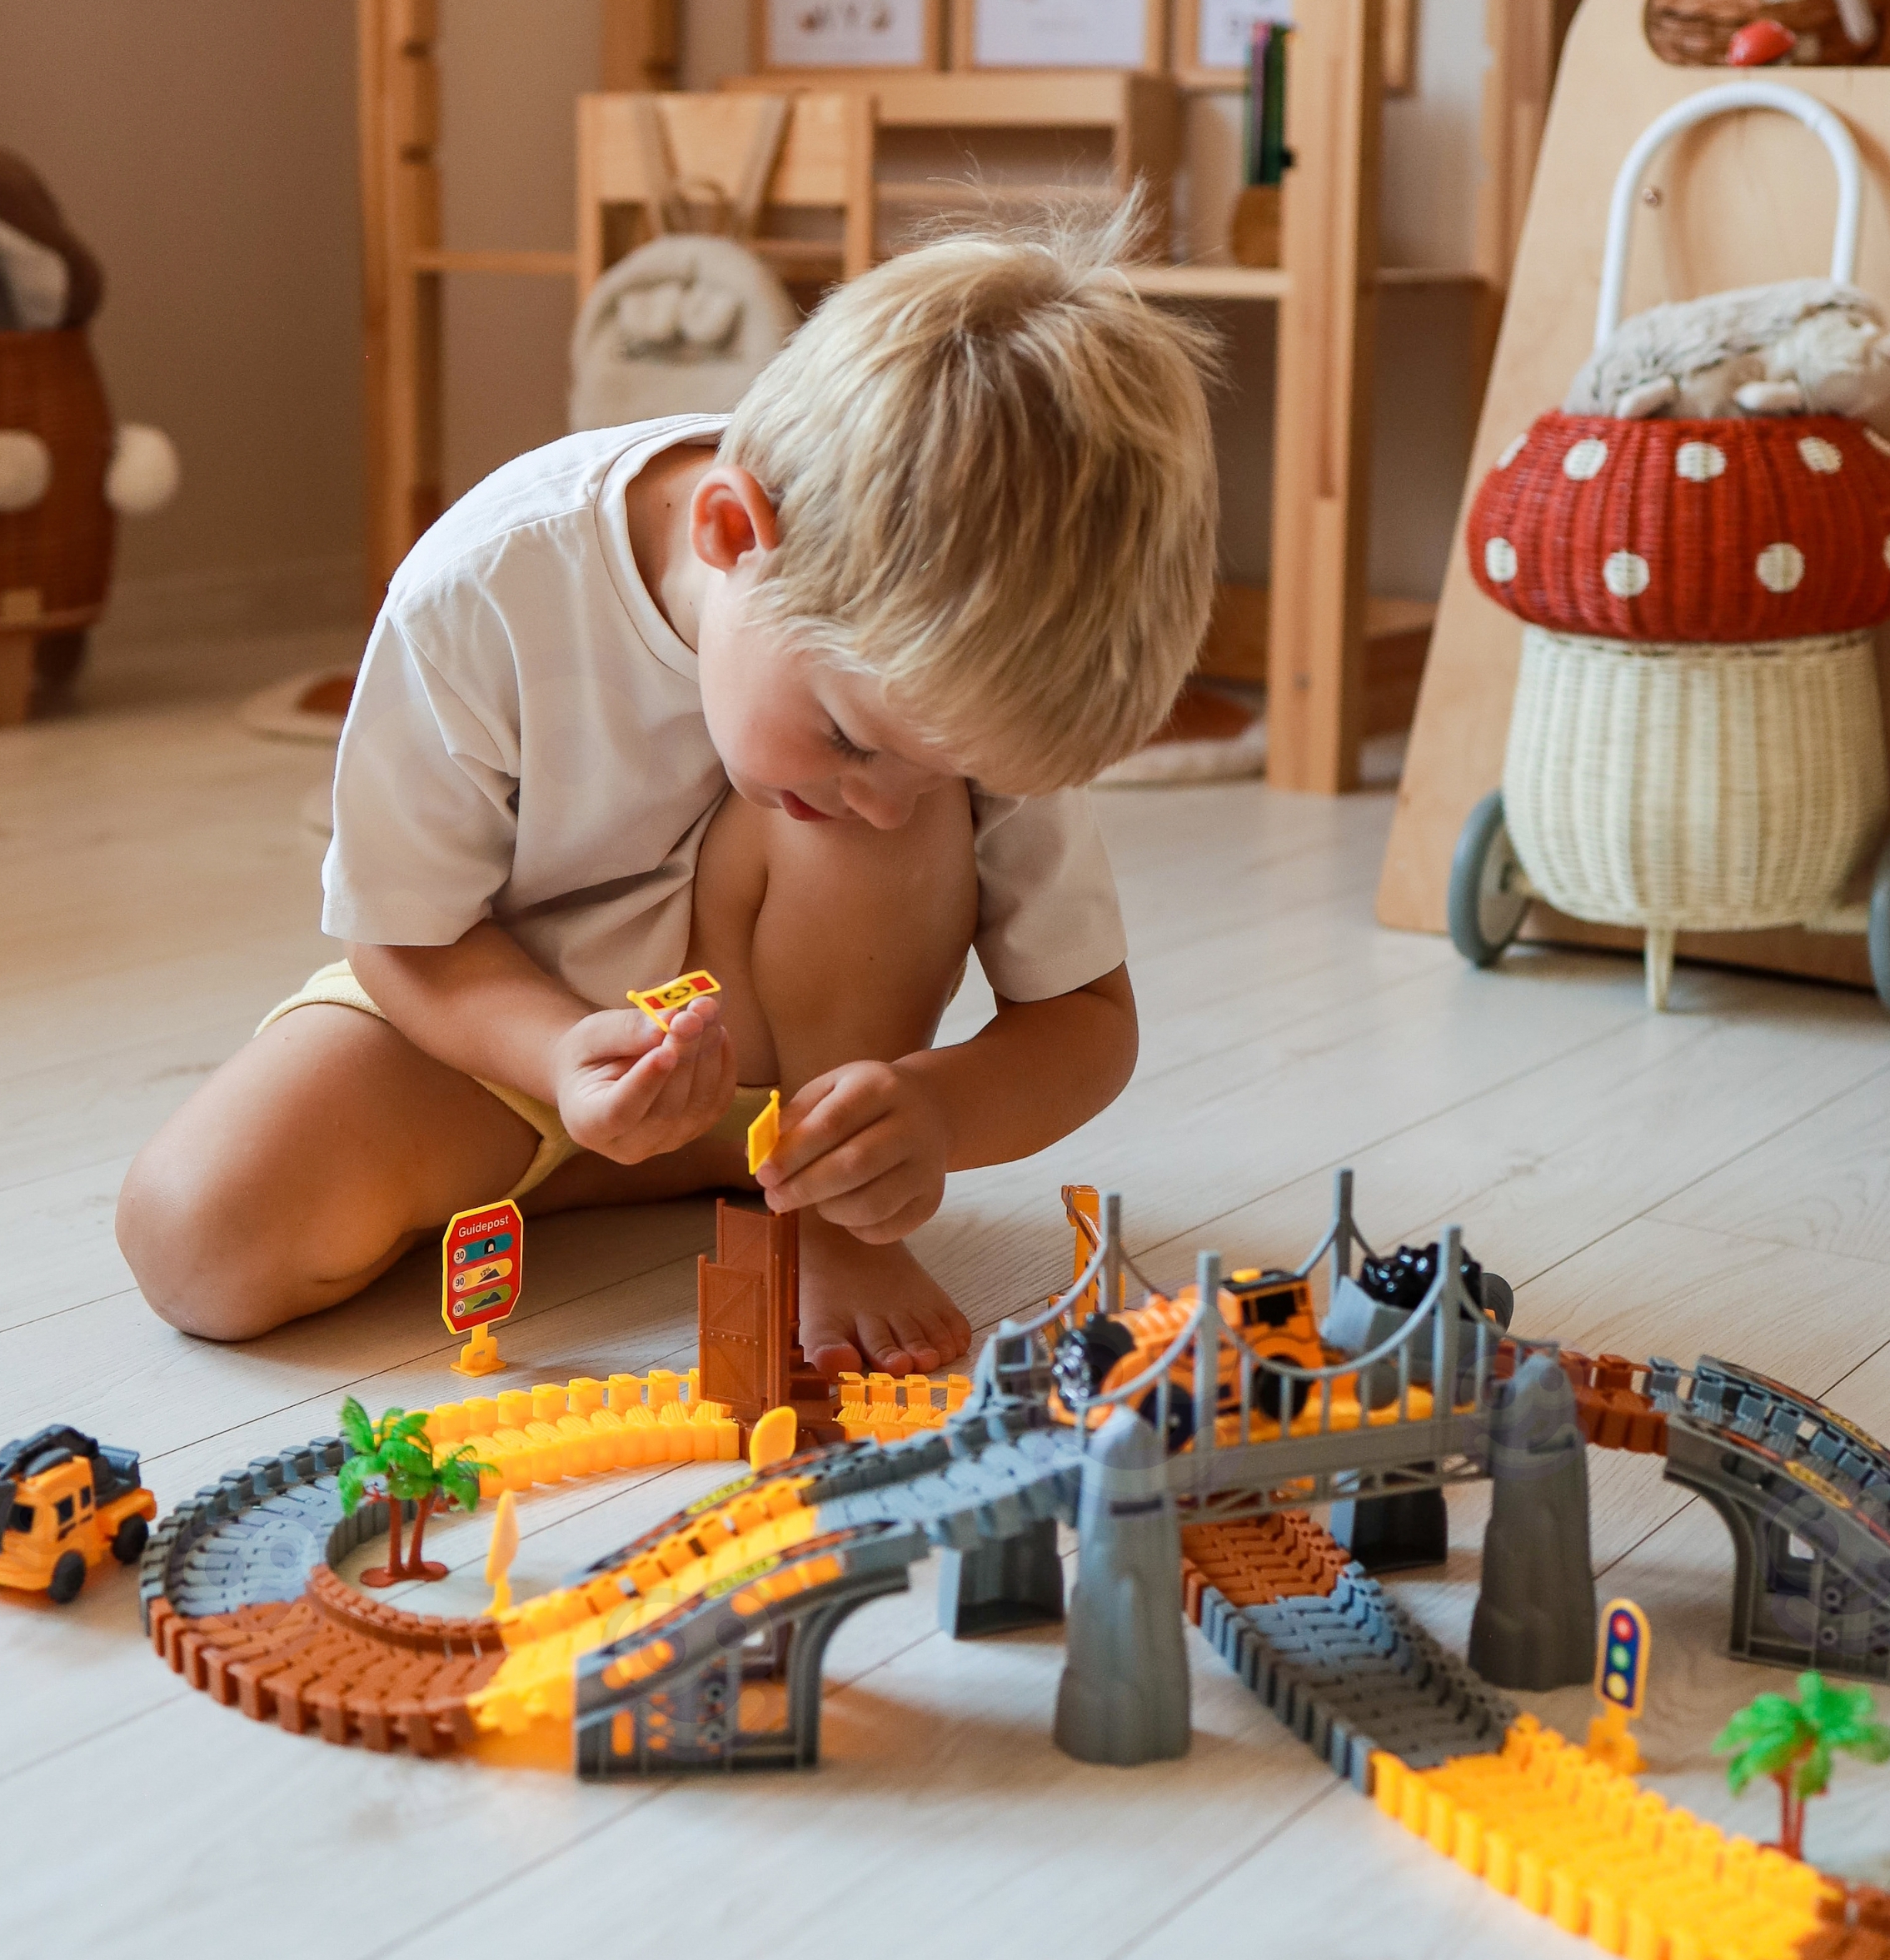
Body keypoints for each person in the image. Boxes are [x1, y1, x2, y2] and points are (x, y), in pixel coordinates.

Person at [117, 208, 1219, 1375]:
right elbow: (404, 938)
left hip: (784, 1069)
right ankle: (636, 1160)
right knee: (197, 1239)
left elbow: (1087, 1024)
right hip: (500, 1041)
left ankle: (809, 1200)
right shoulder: (485, 588)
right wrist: (557, 1061)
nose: (898, 800)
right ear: (733, 531)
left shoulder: (969, 670)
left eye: (951, 772)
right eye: (852, 737)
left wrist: (934, 1113)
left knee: (860, 826)